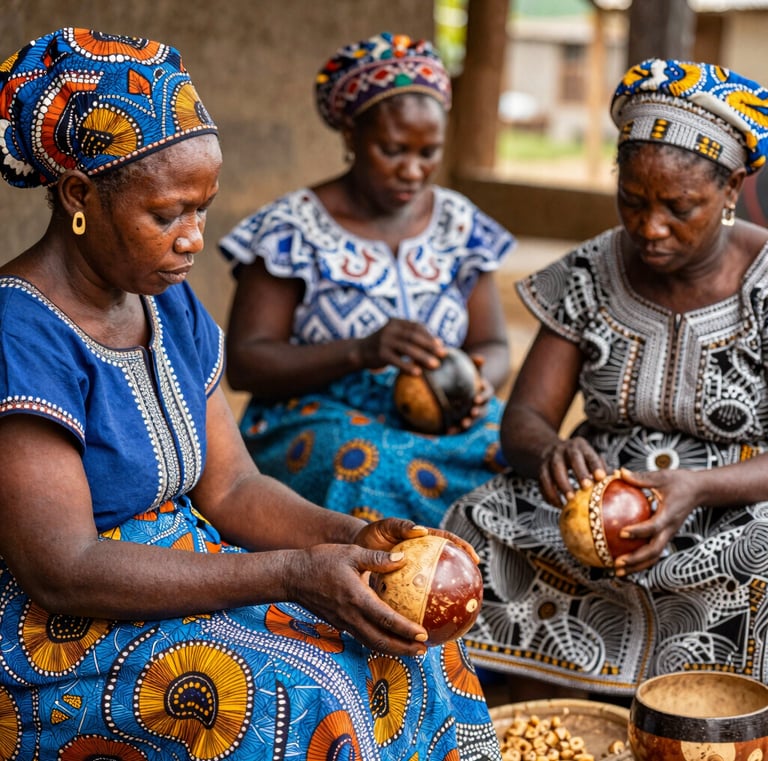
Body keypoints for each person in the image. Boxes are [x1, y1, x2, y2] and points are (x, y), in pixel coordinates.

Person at [0, 28, 503, 760]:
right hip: (61, 633)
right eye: (167, 213)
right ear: (79, 195)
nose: (194, 238)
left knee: (415, 647)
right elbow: (63, 566)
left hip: (192, 571)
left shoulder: (164, 304)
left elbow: (233, 485)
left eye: (202, 209)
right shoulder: (21, 331)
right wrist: (292, 576)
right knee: (304, 698)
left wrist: (348, 535)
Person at [442, 58, 768, 700]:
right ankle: (508, 710)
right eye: (632, 199)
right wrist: (550, 452)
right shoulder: (589, 272)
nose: (650, 227)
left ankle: (713, 717)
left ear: (730, 188)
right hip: (591, 500)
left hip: (734, 500)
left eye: (680, 207)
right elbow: (525, 419)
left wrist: (695, 489)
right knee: (480, 519)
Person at [218, 32, 515, 529]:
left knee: (519, 448)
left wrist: (476, 386)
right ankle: (372, 599)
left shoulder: (460, 226)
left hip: (440, 420)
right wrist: (360, 351)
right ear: (352, 136)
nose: (413, 171)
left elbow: (493, 342)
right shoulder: (292, 230)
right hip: (316, 415)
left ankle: (490, 603)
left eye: (429, 152)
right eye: (394, 150)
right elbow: (246, 364)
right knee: (363, 463)